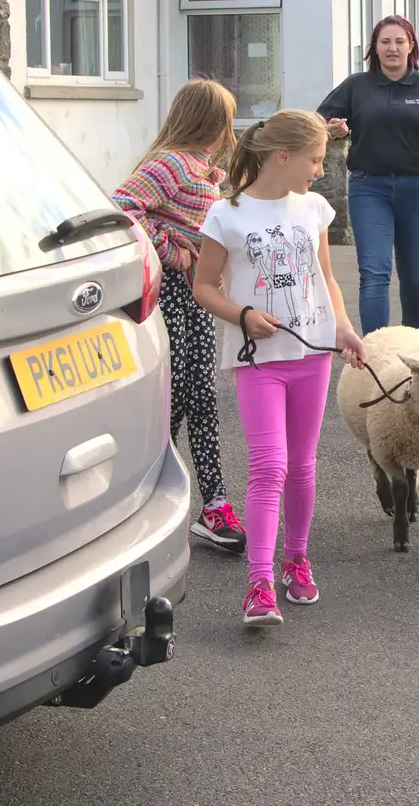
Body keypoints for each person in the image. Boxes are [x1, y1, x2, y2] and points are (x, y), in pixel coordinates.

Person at [191, 109, 366, 628]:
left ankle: (297, 558)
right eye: (314, 159)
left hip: (312, 353)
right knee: (270, 466)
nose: (320, 169)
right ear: (282, 156)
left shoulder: (314, 207)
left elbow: (326, 279)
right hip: (257, 361)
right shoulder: (226, 214)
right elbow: (204, 288)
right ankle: (259, 585)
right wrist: (242, 315)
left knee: (303, 465)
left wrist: (344, 328)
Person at [112, 78, 245, 555]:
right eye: (226, 119)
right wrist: (172, 251)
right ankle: (146, 499)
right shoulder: (170, 163)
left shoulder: (200, 168)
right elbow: (122, 205)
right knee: (175, 398)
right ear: (211, 121)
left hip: (195, 299)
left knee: (198, 396)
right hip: (170, 293)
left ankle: (210, 505)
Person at [317, 14, 419, 333]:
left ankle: (410, 337)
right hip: (369, 188)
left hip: (418, 190)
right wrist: (331, 131)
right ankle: (376, 353)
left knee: (414, 277)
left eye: (399, 41)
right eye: (385, 42)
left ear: (411, 47)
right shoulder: (357, 86)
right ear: (374, 49)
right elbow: (317, 125)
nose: (392, 48)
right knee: (374, 272)